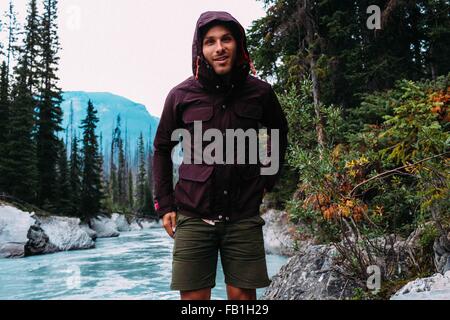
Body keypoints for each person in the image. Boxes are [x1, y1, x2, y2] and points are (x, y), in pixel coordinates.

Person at [153, 11, 288, 300]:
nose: (219, 48)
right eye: (210, 41)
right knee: (194, 301)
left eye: (226, 39)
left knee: (242, 297)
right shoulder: (180, 95)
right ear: (199, 50)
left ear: (238, 44)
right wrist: (165, 205)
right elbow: (162, 148)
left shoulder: (260, 92)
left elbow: (279, 131)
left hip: (243, 216)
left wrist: (267, 179)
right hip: (192, 215)